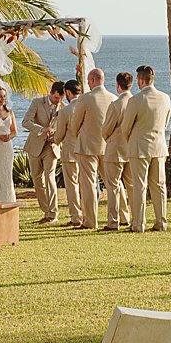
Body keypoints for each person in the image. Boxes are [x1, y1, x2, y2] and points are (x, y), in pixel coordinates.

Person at [120, 65, 171, 233]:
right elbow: (165, 123)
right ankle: (161, 222)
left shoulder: (135, 100)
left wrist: (131, 139)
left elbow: (125, 127)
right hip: (159, 147)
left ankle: (138, 224)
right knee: (159, 185)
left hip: (139, 147)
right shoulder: (165, 98)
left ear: (141, 80)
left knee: (139, 186)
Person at [64, 68, 111, 230]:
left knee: (89, 184)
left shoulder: (86, 98)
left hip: (87, 147)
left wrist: (79, 135)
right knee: (112, 183)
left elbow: (75, 123)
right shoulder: (113, 98)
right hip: (107, 146)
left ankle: (91, 221)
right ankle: (120, 216)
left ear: (91, 80)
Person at [23, 81, 65, 224]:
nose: (58, 101)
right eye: (55, 98)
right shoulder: (37, 102)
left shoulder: (64, 107)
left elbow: (65, 128)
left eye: (60, 99)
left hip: (52, 147)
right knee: (37, 179)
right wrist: (41, 129)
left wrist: (56, 136)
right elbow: (26, 122)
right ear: (51, 93)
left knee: (50, 177)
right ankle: (46, 210)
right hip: (35, 145)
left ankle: (53, 213)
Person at [101, 71, 134, 230]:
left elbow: (106, 128)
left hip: (115, 148)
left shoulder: (116, 104)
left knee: (113, 186)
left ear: (117, 85)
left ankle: (113, 221)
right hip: (132, 148)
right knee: (132, 186)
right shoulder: (136, 101)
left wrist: (108, 138)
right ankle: (134, 218)